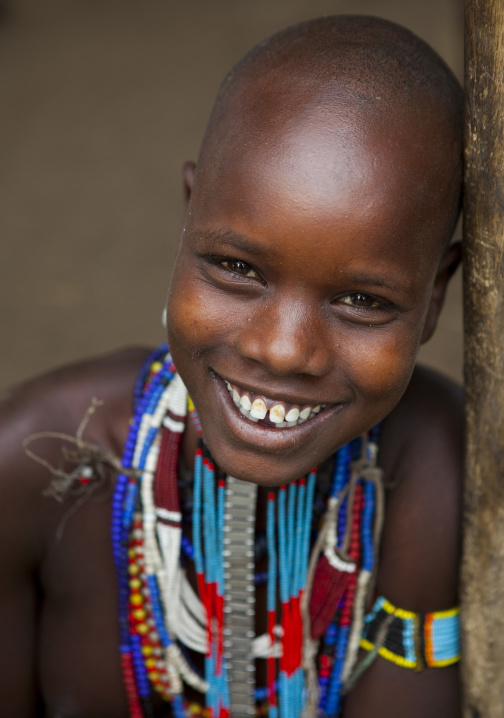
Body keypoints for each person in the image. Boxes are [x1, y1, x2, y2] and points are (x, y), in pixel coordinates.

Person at [0, 15, 463, 718]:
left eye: (363, 300)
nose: (281, 349)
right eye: (237, 267)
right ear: (187, 220)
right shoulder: (33, 462)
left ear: (434, 299)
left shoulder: (440, 471)